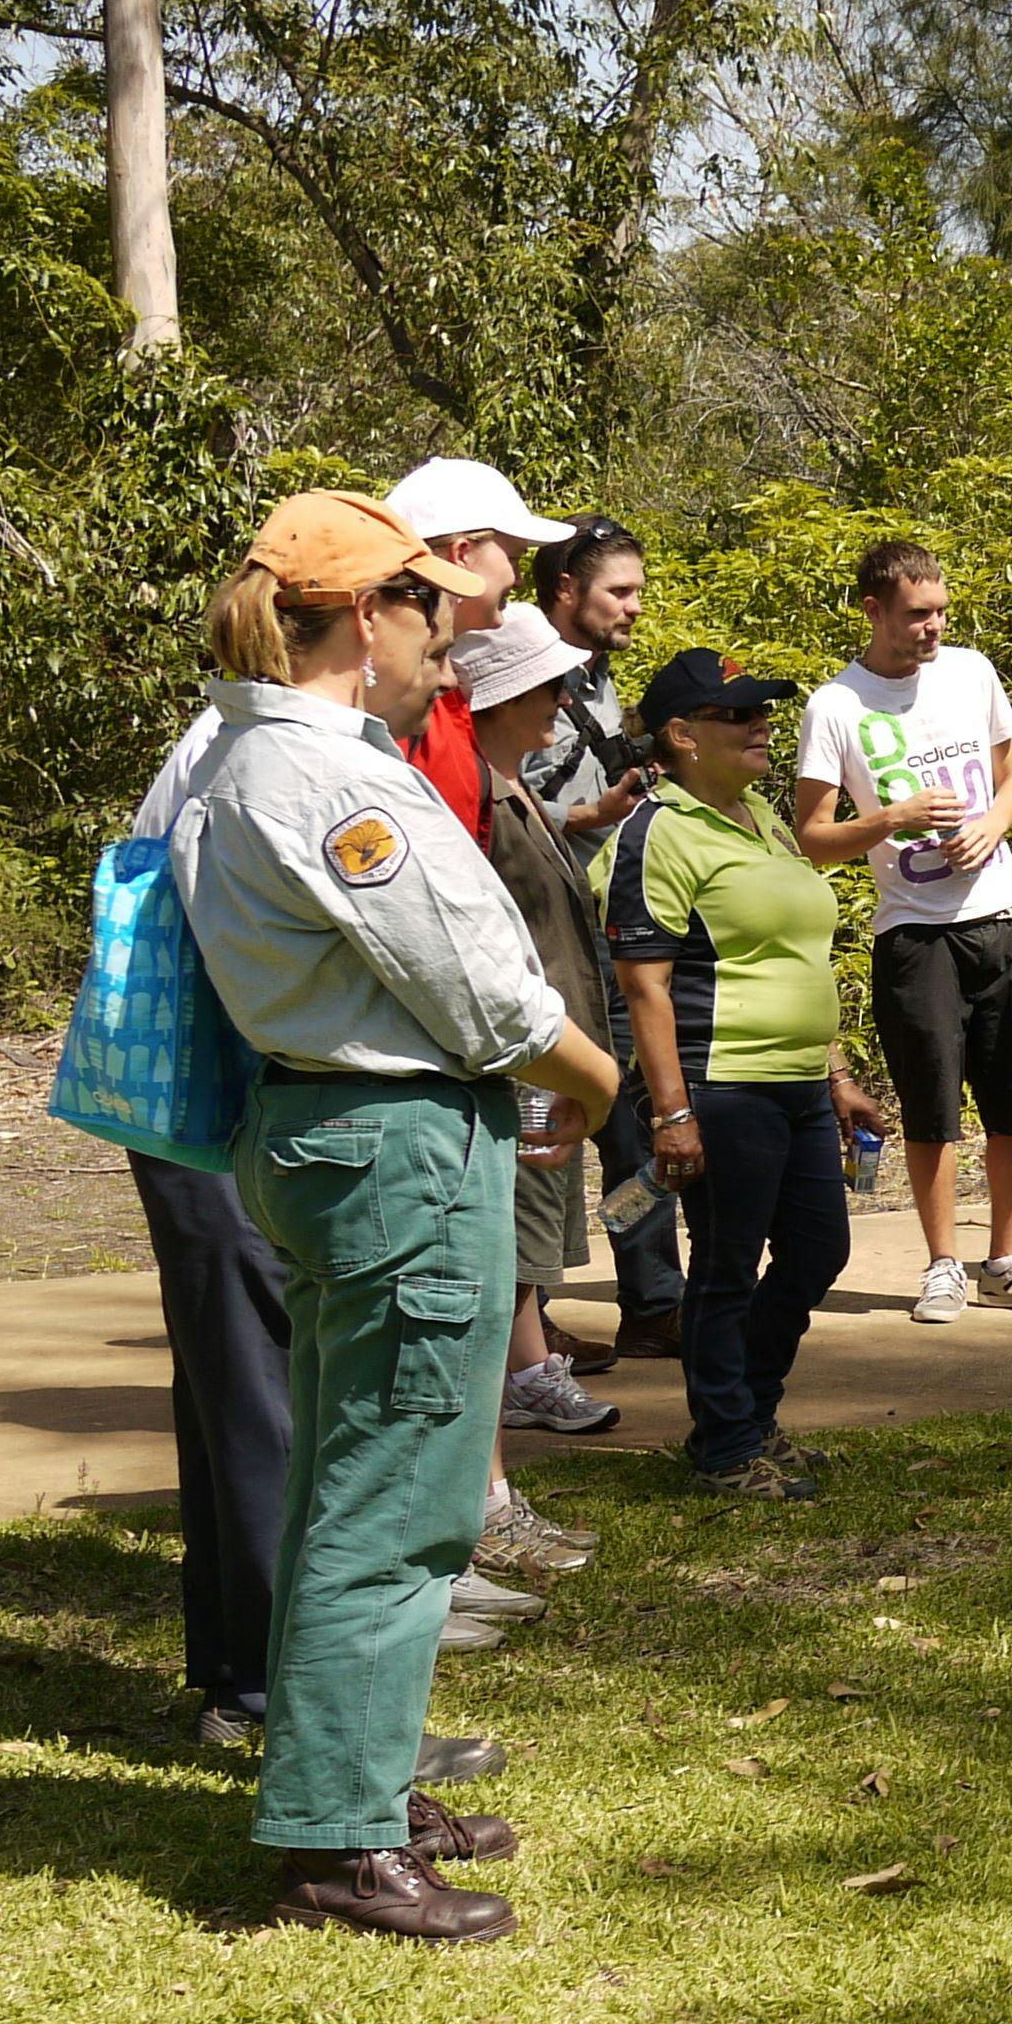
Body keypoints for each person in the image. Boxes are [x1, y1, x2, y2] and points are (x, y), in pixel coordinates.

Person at [171, 489, 620, 1940]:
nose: (454, 629)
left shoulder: (234, 753)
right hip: (396, 1146)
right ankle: (340, 1839)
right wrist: (597, 1078)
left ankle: (349, 1777)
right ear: (364, 619)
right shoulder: (328, 779)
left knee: (342, 1472)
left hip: (323, 1129)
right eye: (430, 605)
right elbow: (482, 991)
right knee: (402, 1491)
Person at [597, 647, 888, 1500]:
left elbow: (795, 955)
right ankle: (727, 1447)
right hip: (718, 1084)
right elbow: (643, 984)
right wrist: (672, 1114)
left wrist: (834, 1074)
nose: (763, 724)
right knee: (725, 1265)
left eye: (763, 710)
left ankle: (751, 1418)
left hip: (797, 1083)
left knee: (817, 1251)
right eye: (738, 715)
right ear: (682, 735)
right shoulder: (656, 833)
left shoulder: (760, 816)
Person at [789, 539, 1012, 1323]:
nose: (933, 628)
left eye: (942, 612)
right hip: (914, 934)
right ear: (874, 610)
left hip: (998, 916)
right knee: (932, 1106)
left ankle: (1009, 1260)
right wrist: (891, 818)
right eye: (917, 614)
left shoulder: (971, 673)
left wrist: (993, 825)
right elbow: (813, 839)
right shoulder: (836, 705)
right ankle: (943, 1264)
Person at [453, 605, 625, 1454]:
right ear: (503, 693)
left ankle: (525, 1369)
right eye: (547, 684)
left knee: (541, 1209)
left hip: (554, 1043)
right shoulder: (474, 794)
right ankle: (519, 1378)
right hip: (520, 1047)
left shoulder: (519, 787)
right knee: (516, 1213)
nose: (562, 699)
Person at [524, 516, 677, 1366]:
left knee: (637, 1123)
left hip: (612, 931)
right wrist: (586, 815)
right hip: (539, 939)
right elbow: (481, 801)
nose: (634, 608)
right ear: (564, 592)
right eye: (620, 592)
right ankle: (526, 1319)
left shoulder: (599, 678)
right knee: (545, 1119)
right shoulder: (509, 671)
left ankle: (654, 1303)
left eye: (638, 592)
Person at [382, 459, 574, 845]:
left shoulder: (437, 684)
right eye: (515, 558)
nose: (519, 579)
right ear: (462, 554)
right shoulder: (390, 690)